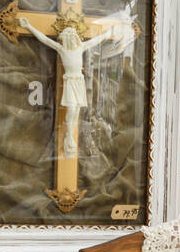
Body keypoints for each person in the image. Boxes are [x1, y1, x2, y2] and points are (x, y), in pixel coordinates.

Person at [19, 17, 120, 157]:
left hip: (79, 81)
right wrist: (29, 26)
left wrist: (107, 34)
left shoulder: (81, 47)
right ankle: (68, 134)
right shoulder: (61, 49)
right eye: (68, 36)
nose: (71, 39)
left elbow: (95, 41)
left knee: (77, 110)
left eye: (72, 36)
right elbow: (44, 39)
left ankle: (70, 136)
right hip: (70, 81)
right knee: (71, 108)